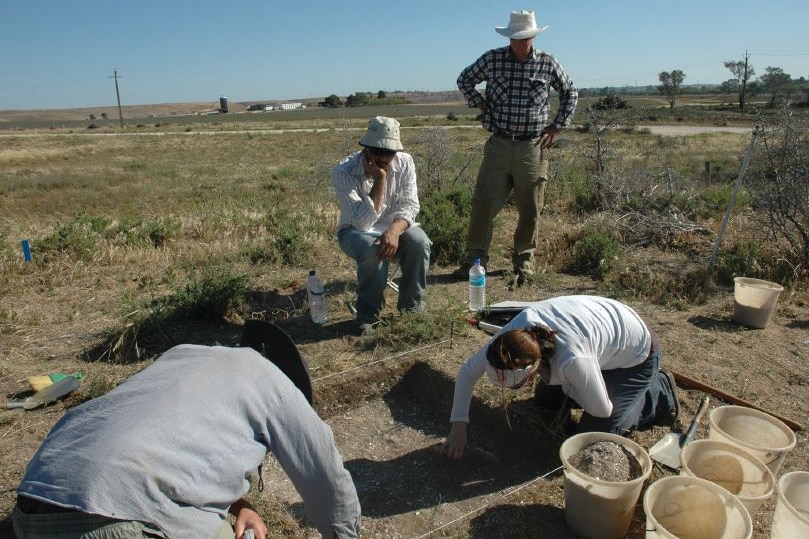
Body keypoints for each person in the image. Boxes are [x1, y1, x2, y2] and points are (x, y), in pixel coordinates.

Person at [12, 321, 361, 539]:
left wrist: (240, 505)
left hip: (30, 508)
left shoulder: (184, 355)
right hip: (111, 522)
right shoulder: (276, 385)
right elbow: (326, 476)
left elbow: (172, 449)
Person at [440, 296, 679, 460]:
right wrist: (458, 426)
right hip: (603, 342)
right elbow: (468, 372)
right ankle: (594, 383)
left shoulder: (572, 359)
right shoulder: (513, 335)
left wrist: (573, 386)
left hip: (639, 354)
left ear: (531, 370)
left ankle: (659, 392)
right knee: (545, 400)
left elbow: (602, 409)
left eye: (518, 385)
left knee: (594, 432)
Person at [453, 10, 578, 288]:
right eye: (515, 38)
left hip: (533, 145)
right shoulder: (493, 59)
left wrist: (557, 126)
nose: (519, 43)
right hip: (498, 143)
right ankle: (475, 261)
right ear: (508, 37)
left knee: (531, 207)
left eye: (524, 38)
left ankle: (524, 263)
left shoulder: (547, 63)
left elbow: (570, 92)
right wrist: (481, 104)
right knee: (483, 204)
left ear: (533, 36)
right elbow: (464, 80)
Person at [332, 116, 431, 333]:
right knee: (372, 248)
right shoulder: (343, 172)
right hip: (354, 232)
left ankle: (412, 310)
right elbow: (361, 222)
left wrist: (394, 231)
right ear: (366, 149)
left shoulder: (406, 162)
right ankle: (368, 314)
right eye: (379, 151)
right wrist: (380, 180)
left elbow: (410, 205)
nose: (385, 157)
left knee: (419, 242)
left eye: (390, 152)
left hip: (394, 226)